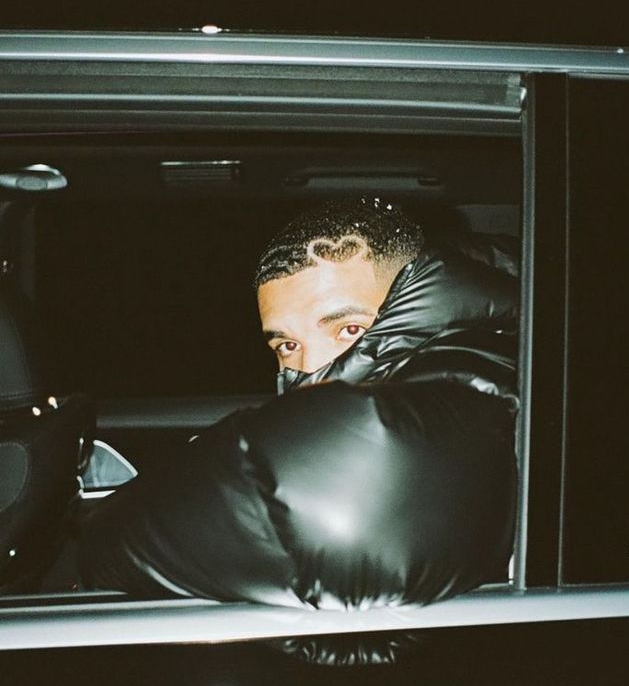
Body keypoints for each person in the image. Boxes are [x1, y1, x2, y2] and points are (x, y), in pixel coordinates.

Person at [78, 198, 518, 661]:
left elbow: (335, 510)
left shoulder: (464, 363)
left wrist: (93, 538)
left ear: (410, 297)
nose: (313, 371)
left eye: (348, 330)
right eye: (288, 345)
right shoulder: (461, 342)